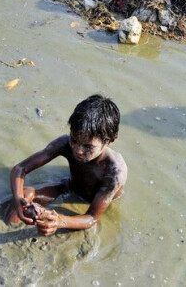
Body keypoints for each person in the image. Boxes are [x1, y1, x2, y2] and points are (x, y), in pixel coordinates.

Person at [7, 95, 127, 236]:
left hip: (93, 203)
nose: (77, 150)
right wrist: (18, 200)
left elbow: (91, 218)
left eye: (88, 147)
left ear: (110, 141)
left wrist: (59, 221)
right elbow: (20, 169)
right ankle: (7, 229)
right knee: (25, 195)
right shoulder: (64, 144)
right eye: (74, 140)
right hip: (70, 186)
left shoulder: (114, 172)